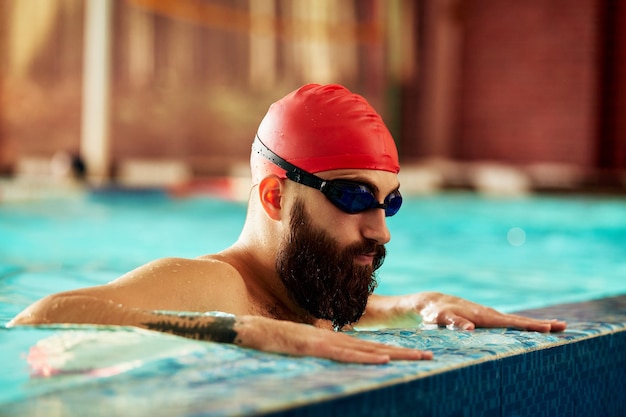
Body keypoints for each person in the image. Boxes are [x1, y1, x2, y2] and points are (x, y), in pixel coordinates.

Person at [8, 84, 566, 364]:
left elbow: (304, 310)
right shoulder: (217, 287)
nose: (382, 230)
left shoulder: (298, 288)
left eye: (390, 203)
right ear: (275, 194)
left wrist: (419, 302)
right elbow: (40, 319)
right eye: (353, 196)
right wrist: (238, 332)